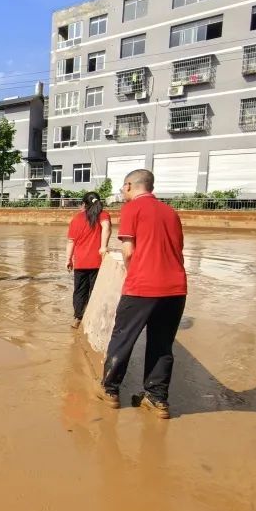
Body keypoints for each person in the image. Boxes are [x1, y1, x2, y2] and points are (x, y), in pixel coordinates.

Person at [98, 169, 187, 419]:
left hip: (143, 286)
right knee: (162, 344)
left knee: (123, 338)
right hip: (176, 289)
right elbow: (176, 249)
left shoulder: (131, 209)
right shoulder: (171, 212)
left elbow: (128, 251)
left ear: (129, 186)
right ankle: (157, 399)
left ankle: (111, 391)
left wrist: (131, 275)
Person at [66, 191, 112, 328]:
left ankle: (78, 318)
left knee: (80, 291)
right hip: (98, 262)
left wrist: (68, 259)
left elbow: (71, 241)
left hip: (80, 262)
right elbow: (107, 228)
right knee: (96, 291)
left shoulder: (77, 218)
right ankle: (94, 320)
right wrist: (103, 247)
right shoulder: (103, 216)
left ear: (84, 204)